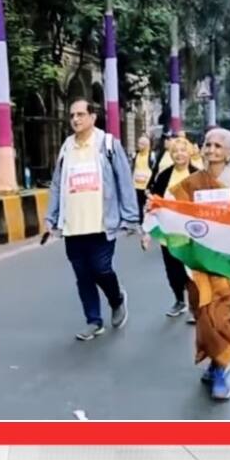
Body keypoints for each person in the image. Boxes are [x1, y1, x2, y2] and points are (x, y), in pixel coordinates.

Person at [168, 128, 230, 400]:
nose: (211, 150)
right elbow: (178, 210)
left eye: (218, 146)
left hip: (226, 258)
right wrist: (157, 207)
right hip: (199, 257)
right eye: (207, 145)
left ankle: (223, 369)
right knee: (203, 313)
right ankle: (214, 362)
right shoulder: (193, 180)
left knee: (222, 314)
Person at [45, 98, 138, 341]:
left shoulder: (107, 144)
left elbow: (124, 180)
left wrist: (130, 217)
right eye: (72, 115)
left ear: (92, 118)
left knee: (101, 268)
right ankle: (93, 321)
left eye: (81, 114)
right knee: (83, 276)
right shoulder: (67, 148)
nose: (75, 119)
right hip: (73, 226)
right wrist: (51, 217)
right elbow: (57, 185)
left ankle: (117, 299)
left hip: (101, 224)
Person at [142, 137, 199, 320]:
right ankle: (179, 300)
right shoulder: (164, 176)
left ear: (189, 152)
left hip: (191, 234)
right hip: (168, 233)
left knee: (190, 271)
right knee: (173, 272)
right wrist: (147, 233)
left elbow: (208, 206)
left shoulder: (198, 176)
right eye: (175, 151)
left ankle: (193, 306)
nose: (179, 154)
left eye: (183, 150)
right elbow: (154, 204)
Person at [131, 135, 155, 223]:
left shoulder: (151, 155)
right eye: (138, 143)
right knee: (139, 203)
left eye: (141, 144)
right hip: (136, 184)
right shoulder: (136, 154)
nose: (139, 145)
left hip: (147, 185)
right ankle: (141, 221)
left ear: (146, 145)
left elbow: (154, 168)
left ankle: (149, 220)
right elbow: (133, 167)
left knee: (148, 204)